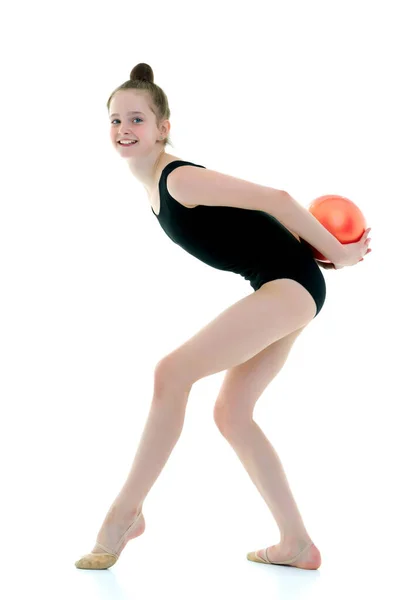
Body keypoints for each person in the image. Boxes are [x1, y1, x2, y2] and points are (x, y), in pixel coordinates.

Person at [75, 63, 372, 571]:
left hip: (290, 285)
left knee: (171, 372)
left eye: (137, 119)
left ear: (163, 127)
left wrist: (338, 253)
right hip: (287, 285)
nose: (124, 129)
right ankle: (296, 543)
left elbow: (274, 199)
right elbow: (260, 222)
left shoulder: (180, 179)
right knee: (232, 413)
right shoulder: (154, 191)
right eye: (115, 119)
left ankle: (125, 514)